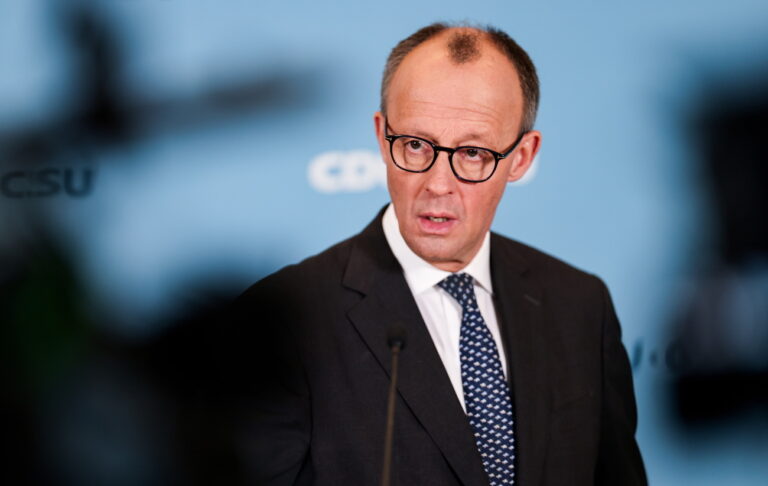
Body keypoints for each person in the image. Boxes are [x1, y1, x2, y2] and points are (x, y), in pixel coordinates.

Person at [221, 22, 647, 486]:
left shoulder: (580, 305)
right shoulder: (285, 319)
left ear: (522, 157)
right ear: (383, 137)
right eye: (416, 145)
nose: (438, 184)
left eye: (472, 153)